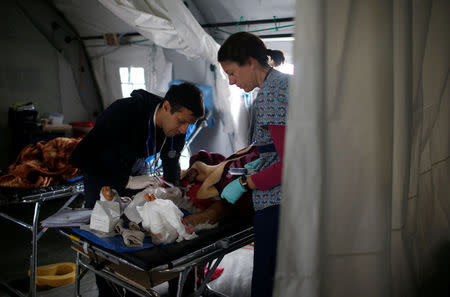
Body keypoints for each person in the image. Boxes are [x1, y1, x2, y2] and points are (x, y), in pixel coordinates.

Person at [70, 82, 204, 297]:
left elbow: (170, 161)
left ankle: (137, 289)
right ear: (167, 106)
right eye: (182, 122)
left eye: (189, 124)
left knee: (138, 235)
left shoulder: (178, 127)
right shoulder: (124, 112)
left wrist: (173, 191)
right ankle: (110, 293)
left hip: (135, 166)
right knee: (106, 240)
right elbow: (80, 157)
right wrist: (127, 181)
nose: (183, 130)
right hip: (101, 172)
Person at [217, 31, 290, 297]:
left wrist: (246, 183)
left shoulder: (270, 95)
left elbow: (288, 165)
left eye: (232, 73)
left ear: (250, 62)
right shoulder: (286, 83)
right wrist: (258, 163)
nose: (231, 81)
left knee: (266, 282)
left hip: (277, 203)